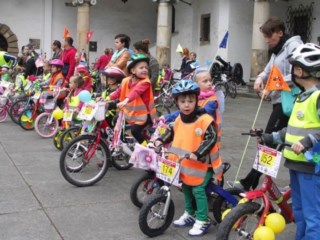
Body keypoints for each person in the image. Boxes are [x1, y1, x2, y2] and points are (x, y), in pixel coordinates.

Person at [228, 16, 303, 191]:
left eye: (270, 36)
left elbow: (299, 73)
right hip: (282, 102)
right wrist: (260, 78)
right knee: (278, 143)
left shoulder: (293, 46)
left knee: (269, 141)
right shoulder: (278, 49)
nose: (267, 40)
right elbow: (269, 69)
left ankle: (249, 184)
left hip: (292, 104)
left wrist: (272, 85)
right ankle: (283, 185)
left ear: (280, 33)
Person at [258, 43, 320, 240]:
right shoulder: (302, 97)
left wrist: (308, 142)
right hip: (295, 162)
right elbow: (293, 130)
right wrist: (273, 137)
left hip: (311, 165)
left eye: (293, 68)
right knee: (299, 212)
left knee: (312, 215)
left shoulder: (318, 97)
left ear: (300, 71)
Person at [154, 79, 223, 236]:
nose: (186, 105)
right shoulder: (179, 119)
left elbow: (211, 139)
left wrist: (197, 153)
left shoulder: (204, 119)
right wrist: (160, 140)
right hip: (185, 165)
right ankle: (190, 214)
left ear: (196, 101)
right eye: (182, 101)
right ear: (177, 103)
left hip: (204, 165)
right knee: (185, 187)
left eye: (190, 101)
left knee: (198, 190)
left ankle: (202, 219)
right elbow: (171, 132)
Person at [108, 53, 156, 145]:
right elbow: (118, 92)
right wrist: (105, 98)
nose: (145, 70)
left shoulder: (146, 82)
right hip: (131, 113)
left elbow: (136, 92)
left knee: (135, 131)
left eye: (146, 68)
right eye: (141, 68)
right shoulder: (125, 81)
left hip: (146, 114)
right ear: (133, 70)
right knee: (115, 121)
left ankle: (147, 149)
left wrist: (125, 100)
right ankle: (124, 144)